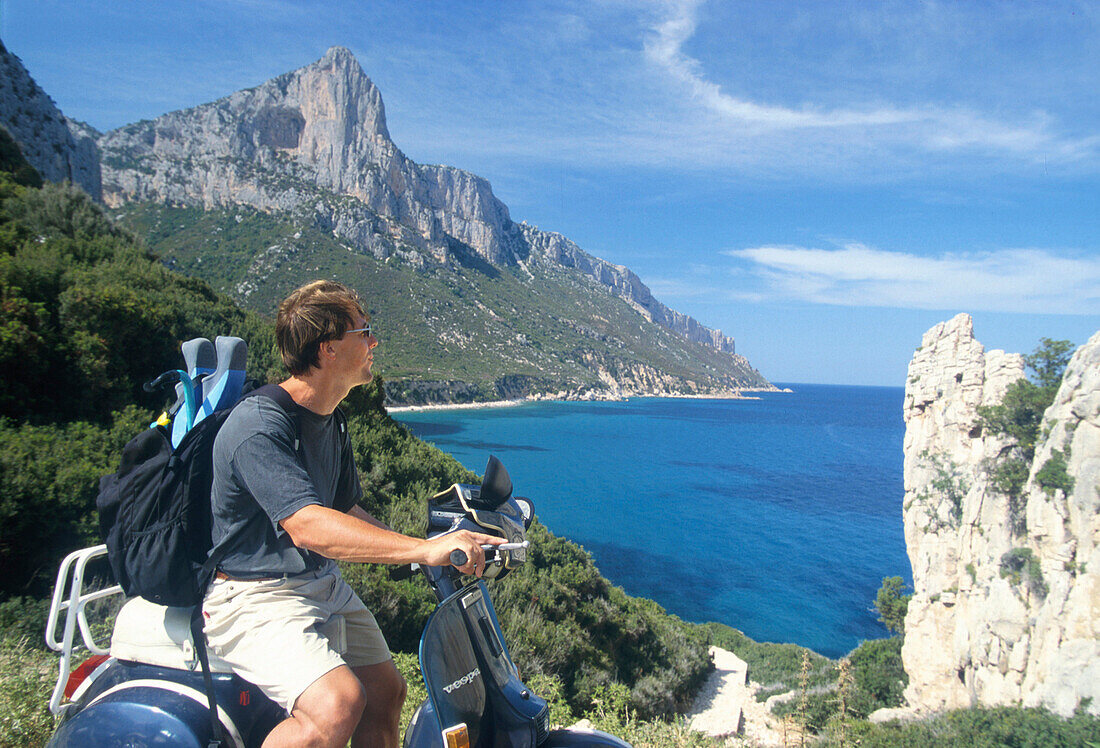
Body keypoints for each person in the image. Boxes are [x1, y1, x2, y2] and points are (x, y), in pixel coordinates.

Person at [203, 280, 502, 748]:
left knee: (385, 691)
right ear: (328, 350)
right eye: (364, 332)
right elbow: (307, 525)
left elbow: (345, 508)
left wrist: (422, 552)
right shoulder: (258, 425)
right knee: (338, 704)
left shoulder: (330, 417)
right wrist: (423, 549)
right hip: (253, 596)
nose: (374, 342)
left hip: (319, 583)